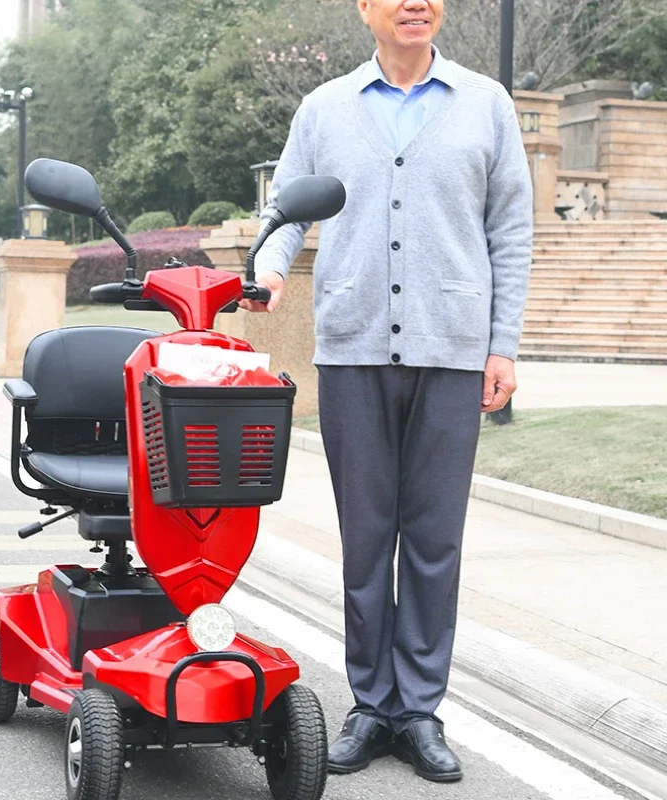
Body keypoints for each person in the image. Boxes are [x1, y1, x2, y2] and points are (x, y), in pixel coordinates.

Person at [242, 0, 533, 785]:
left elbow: (510, 227)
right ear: (365, 8)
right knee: (367, 538)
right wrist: (267, 269)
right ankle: (372, 705)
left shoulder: (486, 105)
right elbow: (285, 210)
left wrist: (501, 344)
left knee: (434, 543)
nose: (415, 2)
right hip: (352, 348)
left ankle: (420, 711)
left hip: (453, 350)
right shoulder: (325, 108)